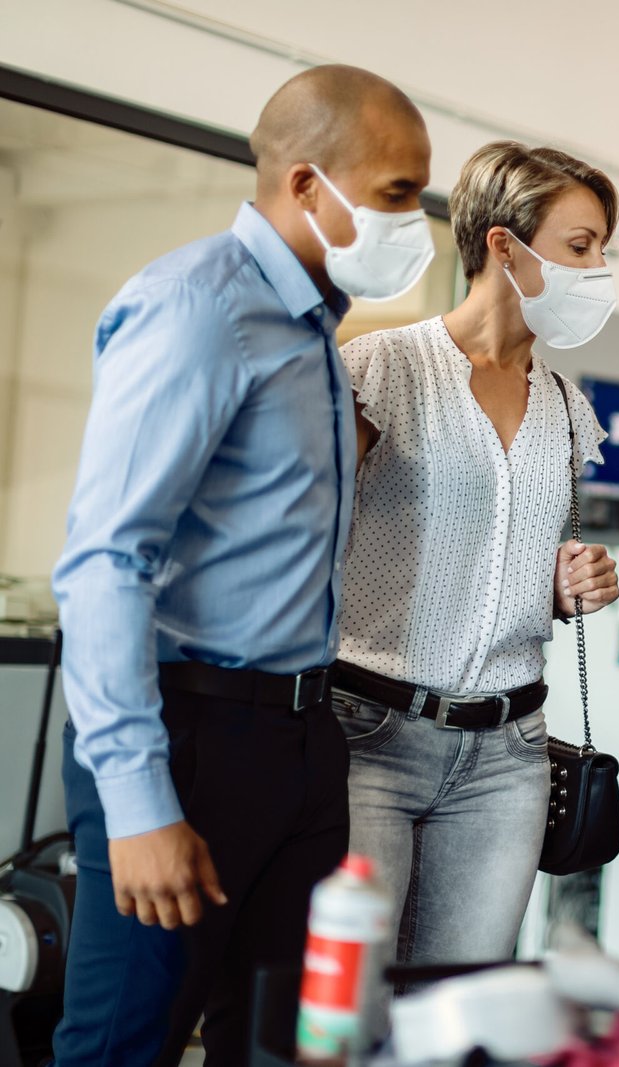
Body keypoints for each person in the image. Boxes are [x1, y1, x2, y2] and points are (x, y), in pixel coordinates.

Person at [50, 66, 432, 1065]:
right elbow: (104, 562)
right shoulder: (198, 308)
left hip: (303, 738)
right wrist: (138, 803)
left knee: (280, 1045)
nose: (412, 222)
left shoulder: (312, 332)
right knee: (124, 1045)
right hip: (189, 735)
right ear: (307, 183)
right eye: (395, 194)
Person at [330, 140, 619, 972]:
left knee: (464, 1004)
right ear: (504, 245)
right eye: (580, 246)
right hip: (371, 733)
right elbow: (310, 541)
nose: (598, 269)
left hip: (509, 754)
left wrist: (564, 585)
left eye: (602, 249)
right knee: (352, 1001)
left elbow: (513, 549)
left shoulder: (566, 406)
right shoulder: (381, 368)